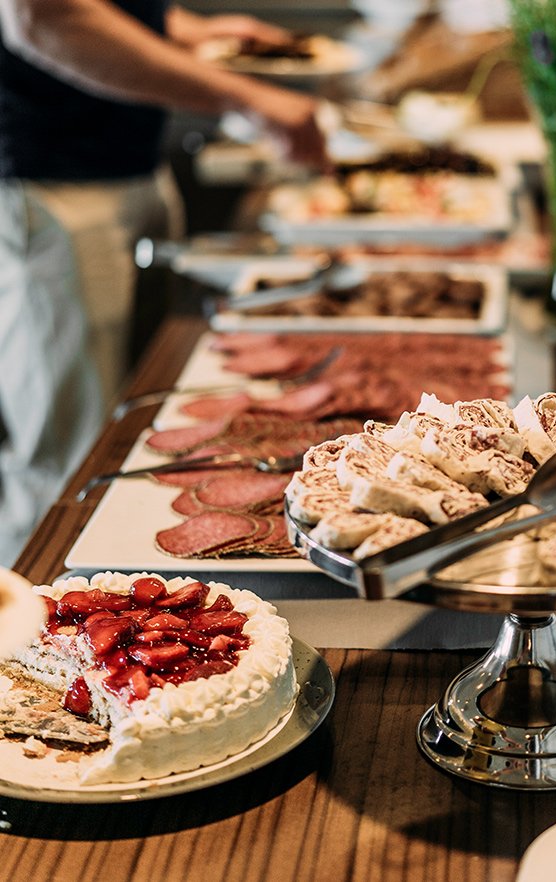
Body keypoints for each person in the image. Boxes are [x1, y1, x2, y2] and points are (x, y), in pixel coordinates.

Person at [0, 0, 329, 566]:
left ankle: (132, 604)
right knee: (65, 457)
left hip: (132, 168)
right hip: (51, 184)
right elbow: (42, 17)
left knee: (144, 429)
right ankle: (29, 617)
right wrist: (246, 97)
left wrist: (189, 28)